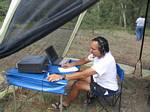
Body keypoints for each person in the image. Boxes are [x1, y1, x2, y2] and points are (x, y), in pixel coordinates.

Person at [47, 36, 118, 109]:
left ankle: (65, 104)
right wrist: (72, 64)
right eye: (91, 48)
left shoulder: (105, 62)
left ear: (102, 50)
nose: (90, 51)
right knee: (77, 74)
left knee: (78, 84)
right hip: (99, 80)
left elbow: (83, 75)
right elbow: (85, 60)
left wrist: (62, 76)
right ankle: (82, 94)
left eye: (93, 49)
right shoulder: (100, 53)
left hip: (106, 88)